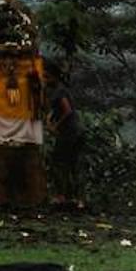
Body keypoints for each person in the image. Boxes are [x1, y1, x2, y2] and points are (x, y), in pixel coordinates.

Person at [46, 60, 85, 210]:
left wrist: (56, 125)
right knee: (71, 165)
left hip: (70, 133)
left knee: (61, 163)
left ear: (54, 77)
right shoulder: (59, 91)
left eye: (47, 77)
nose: (45, 80)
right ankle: (74, 198)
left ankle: (64, 196)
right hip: (73, 132)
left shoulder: (60, 91)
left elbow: (67, 110)